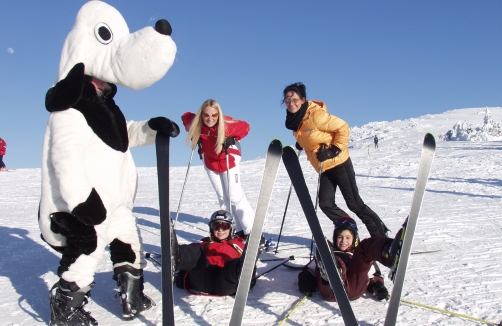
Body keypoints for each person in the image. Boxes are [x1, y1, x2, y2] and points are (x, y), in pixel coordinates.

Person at [282, 82, 389, 237]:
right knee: (326, 204)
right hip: (324, 167)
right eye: (287, 100)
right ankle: (348, 231)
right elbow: (312, 136)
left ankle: (380, 236)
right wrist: (301, 143)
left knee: (354, 203)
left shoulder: (315, 115)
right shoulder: (295, 120)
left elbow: (343, 127)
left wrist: (334, 150)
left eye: (294, 99)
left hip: (339, 163)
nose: (291, 103)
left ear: (303, 100)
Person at [182, 100, 254, 238]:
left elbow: (245, 127)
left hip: (229, 161)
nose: (210, 119)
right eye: (206, 115)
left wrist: (232, 138)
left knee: (235, 196)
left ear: (218, 115)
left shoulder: (226, 126)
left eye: (214, 115)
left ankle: (252, 232)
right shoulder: (197, 124)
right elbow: (186, 116)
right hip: (211, 163)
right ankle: (236, 230)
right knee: (223, 198)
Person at [297, 216, 404, 301]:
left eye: (348, 238)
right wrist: (306, 279)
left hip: (353, 287)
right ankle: (332, 272)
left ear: (354, 239)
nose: (343, 241)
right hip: (330, 289)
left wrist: (378, 286)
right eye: (340, 237)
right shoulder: (330, 251)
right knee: (325, 248)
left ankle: (389, 253)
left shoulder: (357, 254)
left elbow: (372, 275)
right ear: (335, 237)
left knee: (365, 247)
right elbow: (309, 269)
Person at [173, 210, 254, 295]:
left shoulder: (239, 243)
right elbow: (193, 257)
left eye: (225, 226)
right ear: (211, 228)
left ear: (231, 227)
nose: (220, 229)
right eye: (216, 226)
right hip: (203, 279)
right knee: (196, 251)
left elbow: (245, 257)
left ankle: (243, 274)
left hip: (226, 282)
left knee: (234, 263)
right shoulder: (205, 244)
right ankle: (176, 256)